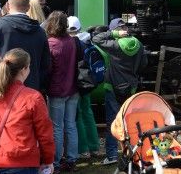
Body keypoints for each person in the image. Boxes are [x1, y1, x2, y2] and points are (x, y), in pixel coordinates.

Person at [92, 17, 148, 166]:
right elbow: (144, 64)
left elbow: (96, 38)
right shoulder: (138, 44)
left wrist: (114, 34)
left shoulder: (114, 45)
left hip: (113, 87)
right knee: (130, 121)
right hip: (131, 87)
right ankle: (133, 152)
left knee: (112, 121)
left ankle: (111, 155)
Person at [0, 0, 50, 92]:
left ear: (7, 5)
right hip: (30, 90)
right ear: (28, 7)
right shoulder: (40, 32)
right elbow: (45, 64)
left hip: (0, 88)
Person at [44, 11, 80, 172]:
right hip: (73, 87)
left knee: (57, 127)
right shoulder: (72, 41)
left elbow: (48, 69)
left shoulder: (50, 43)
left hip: (57, 90)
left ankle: (57, 161)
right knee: (71, 125)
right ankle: (72, 158)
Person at [68, 18, 100, 160]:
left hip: (74, 84)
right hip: (86, 83)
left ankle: (83, 149)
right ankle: (94, 147)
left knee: (77, 115)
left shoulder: (71, 43)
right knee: (88, 112)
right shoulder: (87, 40)